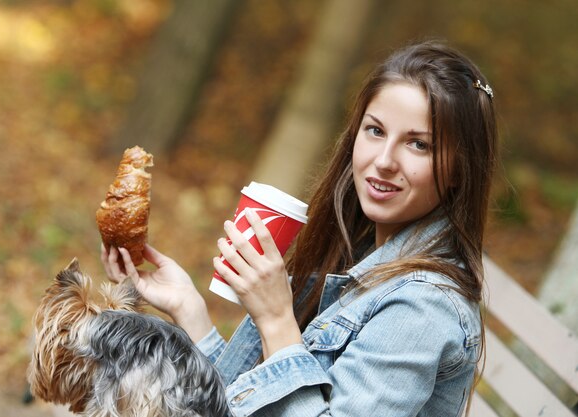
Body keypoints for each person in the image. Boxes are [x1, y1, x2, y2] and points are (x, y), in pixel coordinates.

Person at [101, 40, 497, 416]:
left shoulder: (421, 309)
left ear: (460, 169)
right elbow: (238, 402)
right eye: (375, 131)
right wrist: (189, 308)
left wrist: (276, 319)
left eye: (419, 145)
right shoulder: (359, 259)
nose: (384, 161)